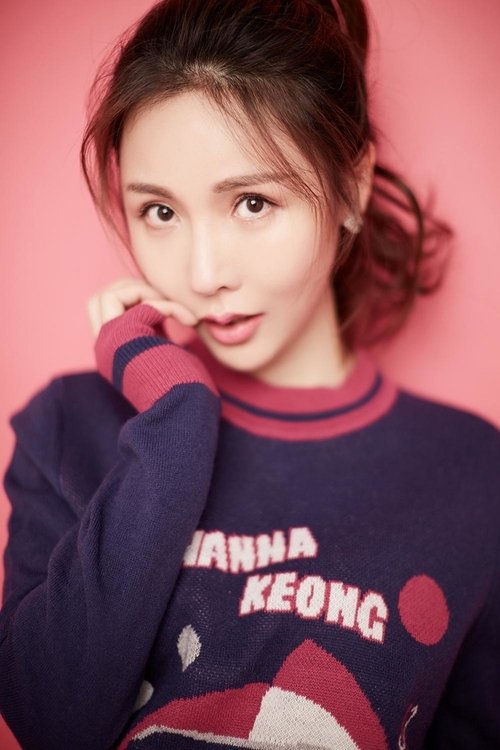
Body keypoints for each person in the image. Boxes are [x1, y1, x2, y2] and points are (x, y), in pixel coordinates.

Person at [1, 0, 499, 748]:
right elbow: (48, 722)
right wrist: (174, 417)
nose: (205, 274)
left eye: (253, 202)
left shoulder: (472, 472)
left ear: (353, 187)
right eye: (160, 212)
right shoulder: (71, 428)